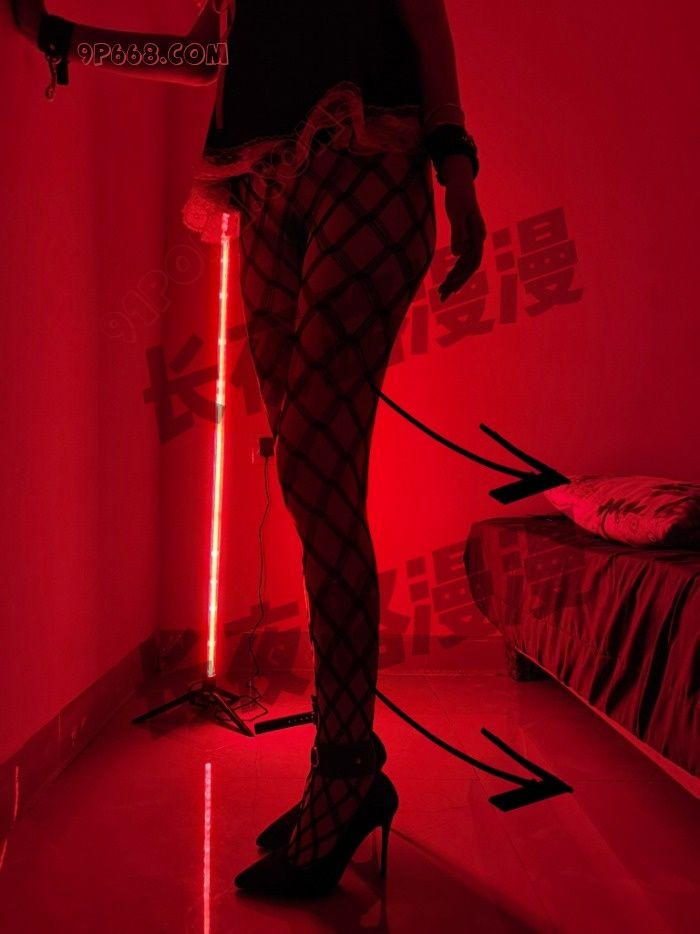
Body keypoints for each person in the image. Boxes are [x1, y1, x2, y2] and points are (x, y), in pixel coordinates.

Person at [11, 0, 487, 898]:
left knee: (314, 465)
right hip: (263, 182)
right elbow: (206, 56)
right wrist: (62, 39)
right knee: (313, 481)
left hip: (370, 156)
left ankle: (344, 768)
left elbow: (423, 16)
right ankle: (343, 767)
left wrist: (456, 167)